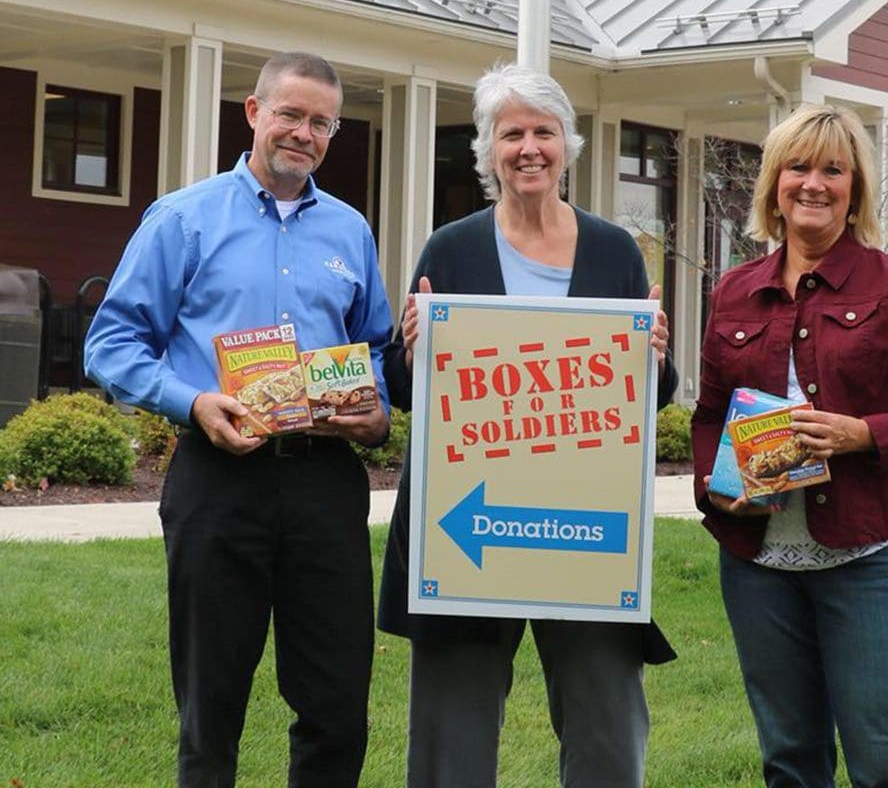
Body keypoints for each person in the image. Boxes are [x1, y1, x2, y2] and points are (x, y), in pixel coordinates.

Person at [84, 52, 392, 787]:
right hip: (218, 480)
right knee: (210, 705)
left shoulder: (351, 231)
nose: (303, 133)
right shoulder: (183, 218)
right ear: (254, 113)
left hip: (325, 487)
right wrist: (190, 401)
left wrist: (373, 411)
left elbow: (374, 347)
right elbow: (112, 343)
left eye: (321, 122)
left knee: (338, 706)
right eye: (290, 114)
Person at [377, 63, 679, 788]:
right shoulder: (450, 248)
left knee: (606, 726)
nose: (529, 147)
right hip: (469, 529)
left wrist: (655, 356)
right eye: (511, 133)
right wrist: (414, 348)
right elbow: (404, 386)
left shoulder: (613, 250)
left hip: (583, 525)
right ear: (488, 151)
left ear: (567, 145)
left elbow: (651, 393)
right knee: (452, 734)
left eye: (544, 131)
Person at [691, 103, 888, 788]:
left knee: (883, 760)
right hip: (758, 562)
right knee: (790, 759)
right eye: (798, 167)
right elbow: (708, 418)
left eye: (833, 170)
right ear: (774, 184)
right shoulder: (735, 289)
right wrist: (719, 489)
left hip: (868, 556)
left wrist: (864, 434)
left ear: (855, 191)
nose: (813, 183)